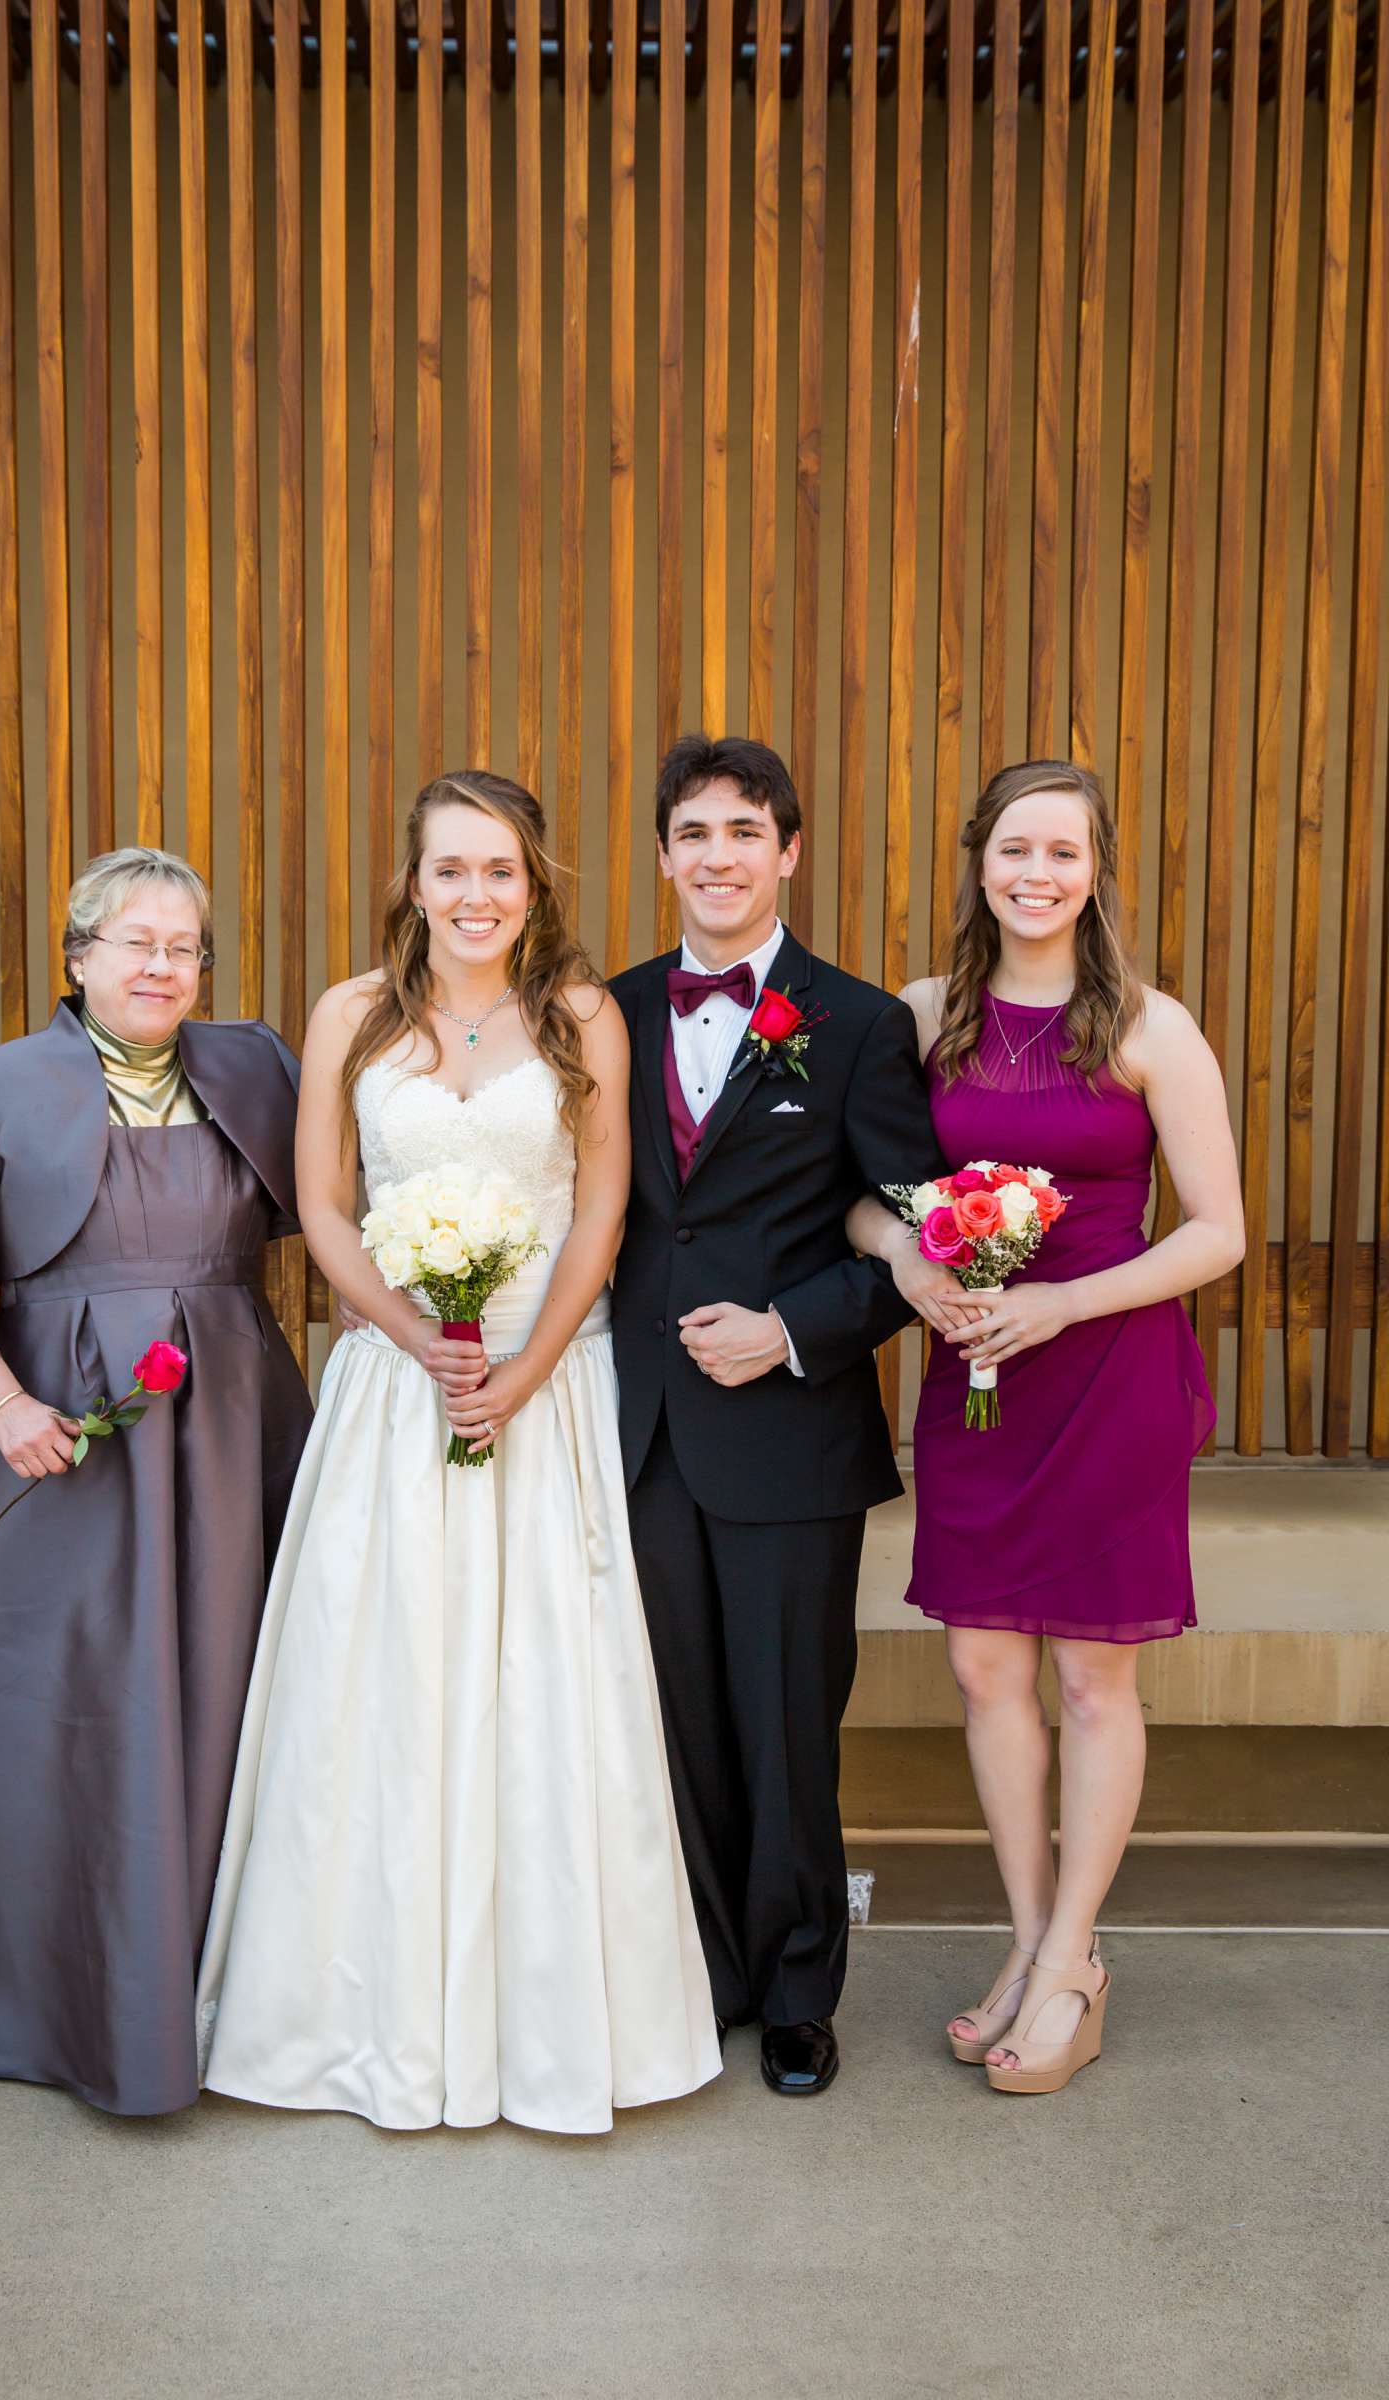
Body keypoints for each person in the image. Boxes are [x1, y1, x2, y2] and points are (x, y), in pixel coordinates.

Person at [195, 771, 719, 2134]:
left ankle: (542, 2028)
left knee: (547, 1683)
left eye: (500, 871)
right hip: (395, 1386)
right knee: (382, 1676)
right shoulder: (351, 1015)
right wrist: (424, 1345)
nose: (475, 895)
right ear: (412, 882)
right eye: (450, 871)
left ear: (533, 883)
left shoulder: (586, 1016)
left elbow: (601, 1212)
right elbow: (321, 1206)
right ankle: (352, 2016)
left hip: (545, 1387)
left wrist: (527, 1369)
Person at [848, 760, 1244, 2095]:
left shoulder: (1145, 1024)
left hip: (1105, 1375)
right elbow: (863, 1194)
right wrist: (915, 1265)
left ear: (1095, 870)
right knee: (983, 1673)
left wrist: (1066, 1298)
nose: (1036, 874)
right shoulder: (923, 1020)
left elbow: (1217, 1232)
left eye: (1062, 853)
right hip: (980, 1380)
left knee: (1092, 1677)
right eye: (1015, 848)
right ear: (979, 863)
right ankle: (1027, 1942)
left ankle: (1075, 1957)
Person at [0, 847, 313, 2116]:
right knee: (75, 1707)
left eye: (183, 946)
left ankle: (242, 2001)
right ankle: (83, 2008)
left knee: (240, 1687)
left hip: (236, 1416)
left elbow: (348, 1213)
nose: (160, 967)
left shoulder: (257, 1065)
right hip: (65, 1434)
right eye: (134, 942)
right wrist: (8, 1403)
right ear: (77, 957)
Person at [608, 735, 943, 2097]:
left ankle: (801, 1989)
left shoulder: (854, 1024)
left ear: (789, 851)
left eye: (747, 831)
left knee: (791, 1719)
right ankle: (705, 1976)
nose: (720, 856)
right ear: (668, 854)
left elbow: (920, 1245)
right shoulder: (608, 1010)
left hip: (790, 1435)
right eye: (695, 832)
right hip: (635, 1430)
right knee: (673, 1718)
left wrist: (792, 1330)